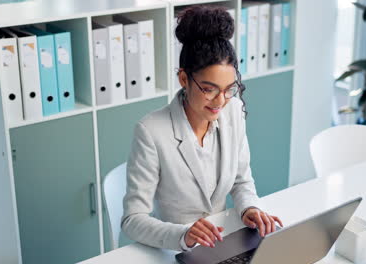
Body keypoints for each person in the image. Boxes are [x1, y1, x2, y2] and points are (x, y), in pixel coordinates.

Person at [121, 5, 283, 252]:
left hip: (221, 243)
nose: (220, 101)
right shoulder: (151, 132)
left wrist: (250, 208)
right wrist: (183, 235)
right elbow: (132, 220)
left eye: (229, 88)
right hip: (174, 249)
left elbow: (241, 180)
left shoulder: (234, 111)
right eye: (209, 89)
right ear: (184, 79)